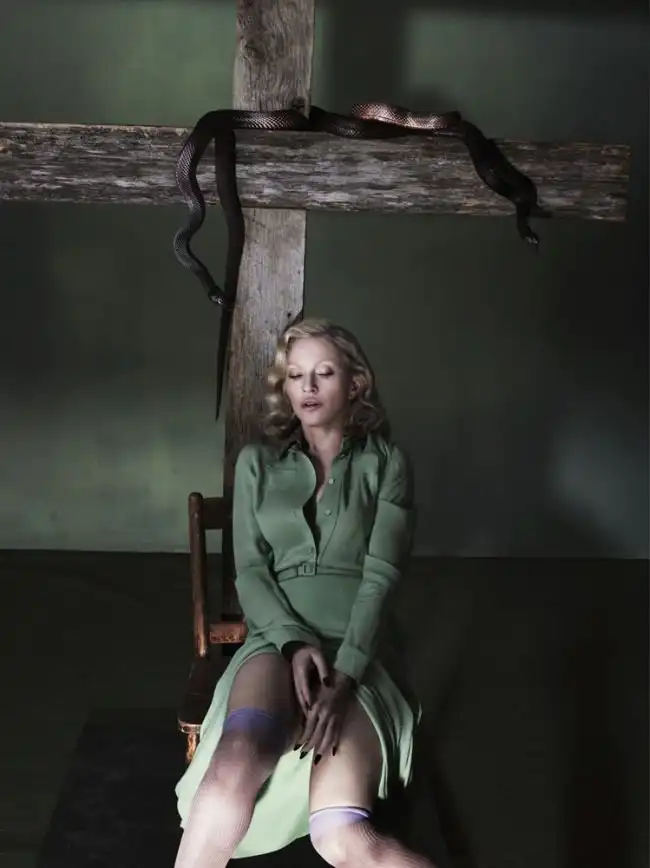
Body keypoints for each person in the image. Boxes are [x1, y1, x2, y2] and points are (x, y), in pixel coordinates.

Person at [174, 317, 435, 868]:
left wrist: (346, 676)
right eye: (295, 375)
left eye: (324, 373)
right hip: (277, 641)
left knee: (341, 837)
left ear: (355, 384)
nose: (308, 387)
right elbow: (250, 572)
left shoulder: (387, 464)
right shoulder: (257, 464)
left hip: (358, 654)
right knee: (229, 774)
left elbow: (381, 578)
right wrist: (293, 643)